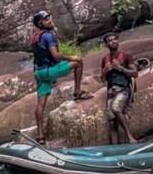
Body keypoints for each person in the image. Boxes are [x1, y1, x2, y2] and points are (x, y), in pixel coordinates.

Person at [30, 10, 92, 141]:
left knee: (40, 104)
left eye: (49, 18)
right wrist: (71, 57)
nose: (50, 21)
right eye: (47, 20)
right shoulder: (48, 36)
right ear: (41, 23)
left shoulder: (35, 37)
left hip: (39, 73)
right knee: (78, 62)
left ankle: (40, 136)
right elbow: (56, 55)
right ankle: (77, 91)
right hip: (50, 70)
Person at [101, 32, 139, 144]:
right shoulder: (105, 59)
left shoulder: (126, 55)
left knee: (116, 109)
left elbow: (135, 73)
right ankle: (115, 145)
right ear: (106, 44)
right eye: (110, 40)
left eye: (114, 39)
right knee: (112, 120)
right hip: (111, 91)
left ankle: (130, 137)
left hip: (123, 89)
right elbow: (102, 79)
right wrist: (105, 71)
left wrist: (120, 68)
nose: (113, 42)